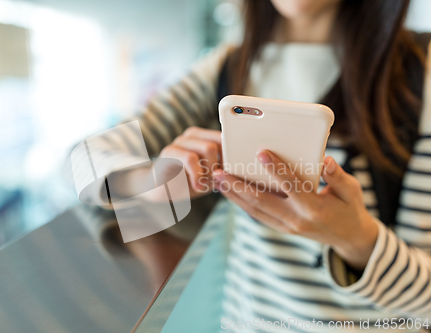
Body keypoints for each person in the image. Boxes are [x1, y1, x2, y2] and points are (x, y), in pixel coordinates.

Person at [75, 0, 431, 330]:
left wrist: (357, 240)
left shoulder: (420, 70)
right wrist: (148, 180)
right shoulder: (229, 66)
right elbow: (84, 159)